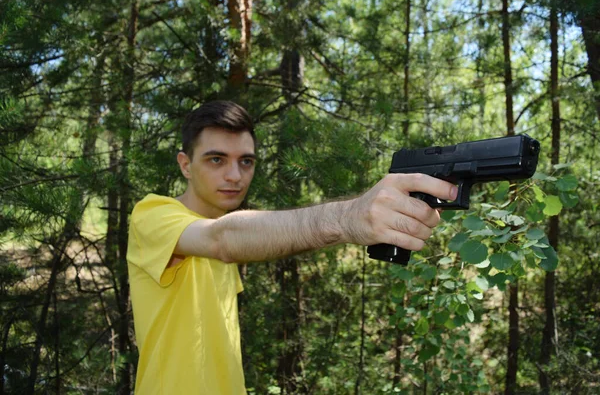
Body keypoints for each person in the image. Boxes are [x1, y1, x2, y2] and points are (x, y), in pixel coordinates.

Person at [126, 100, 458, 394]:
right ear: (185, 164)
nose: (234, 175)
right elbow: (221, 238)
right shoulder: (153, 216)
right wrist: (345, 218)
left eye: (246, 161)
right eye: (216, 160)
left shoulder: (227, 235)